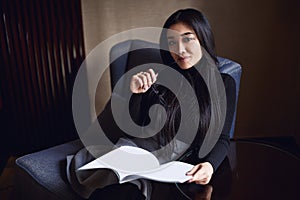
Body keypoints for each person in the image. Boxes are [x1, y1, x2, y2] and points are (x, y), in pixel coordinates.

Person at [67, 8, 236, 200]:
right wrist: (134, 94)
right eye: (172, 42)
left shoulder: (223, 83)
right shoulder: (161, 75)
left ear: (203, 38)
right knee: (116, 191)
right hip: (137, 153)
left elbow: (222, 138)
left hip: (171, 166)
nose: (179, 50)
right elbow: (135, 127)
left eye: (187, 38)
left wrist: (210, 165)